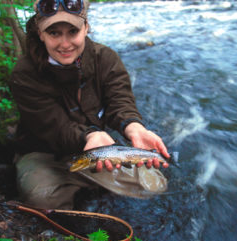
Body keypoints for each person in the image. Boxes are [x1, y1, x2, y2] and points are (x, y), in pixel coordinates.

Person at [9, 0, 170, 209]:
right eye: (54, 33)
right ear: (40, 33)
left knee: (154, 185)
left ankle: (92, 185)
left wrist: (133, 127)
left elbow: (120, 101)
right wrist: (90, 135)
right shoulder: (25, 74)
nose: (65, 44)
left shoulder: (105, 58)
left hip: (98, 148)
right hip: (45, 152)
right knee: (44, 200)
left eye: (73, 31)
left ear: (86, 28)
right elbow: (54, 128)